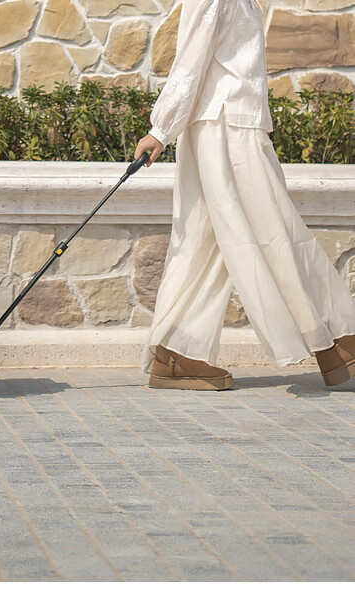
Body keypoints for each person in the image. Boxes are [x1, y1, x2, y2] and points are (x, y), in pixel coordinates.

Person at [133, 0, 355, 390]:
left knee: (206, 242)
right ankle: (337, 339)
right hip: (227, 129)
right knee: (277, 230)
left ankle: (178, 353)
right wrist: (160, 129)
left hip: (227, 124)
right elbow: (190, 62)